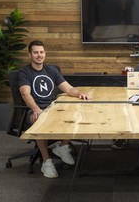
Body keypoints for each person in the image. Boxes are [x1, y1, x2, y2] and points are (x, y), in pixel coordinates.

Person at [18, 40, 92, 178]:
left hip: (54, 108)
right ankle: (46, 161)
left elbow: (68, 88)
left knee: (78, 113)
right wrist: (36, 109)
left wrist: (79, 94)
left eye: (41, 52)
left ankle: (62, 146)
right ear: (30, 55)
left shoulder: (51, 70)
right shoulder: (25, 72)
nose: (39, 55)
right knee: (39, 119)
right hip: (35, 110)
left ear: (45, 53)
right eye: (35, 52)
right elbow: (25, 93)